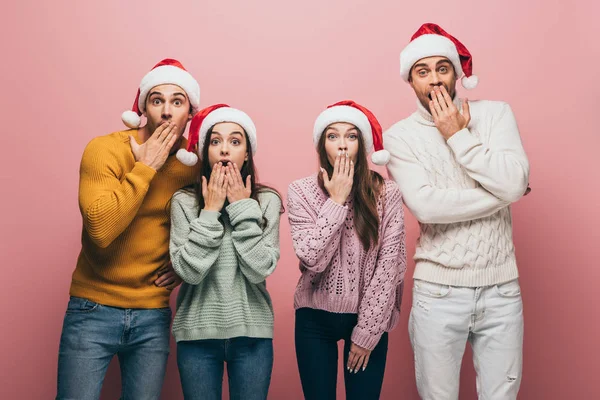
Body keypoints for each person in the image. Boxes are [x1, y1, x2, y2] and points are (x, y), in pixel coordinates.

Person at [383, 23, 531, 399]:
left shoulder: (496, 115)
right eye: (423, 70)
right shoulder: (399, 137)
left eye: (442, 68)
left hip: (502, 290)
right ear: (410, 80)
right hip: (439, 292)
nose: (434, 79)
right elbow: (427, 207)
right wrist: (502, 194)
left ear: (457, 73)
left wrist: (456, 135)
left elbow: (514, 180)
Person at [56, 58, 201, 400]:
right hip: (92, 308)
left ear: (189, 114)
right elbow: (101, 228)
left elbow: (217, 220)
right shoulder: (104, 149)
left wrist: (186, 263)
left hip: (152, 313)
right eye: (157, 100)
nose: (167, 111)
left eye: (177, 102)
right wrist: (145, 166)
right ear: (143, 110)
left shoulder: (193, 164)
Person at [288, 100, 407, 399]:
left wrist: (367, 333)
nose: (342, 145)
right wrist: (336, 200)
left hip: (369, 317)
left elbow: (388, 267)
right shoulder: (300, 191)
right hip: (314, 318)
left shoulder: (387, 193)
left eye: (351, 136)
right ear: (321, 145)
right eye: (333, 136)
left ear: (362, 144)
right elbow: (312, 260)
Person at [170, 104, 282, 400]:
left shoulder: (267, 200)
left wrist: (242, 208)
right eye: (216, 141)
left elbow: (260, 268)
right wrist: (210, 211)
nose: (224, 150)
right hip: (197, 336)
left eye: (235, 141)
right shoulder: (183, 201)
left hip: (252, 336)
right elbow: (188, 272)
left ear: (247, 153)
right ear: (206, 151)